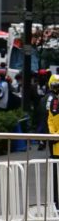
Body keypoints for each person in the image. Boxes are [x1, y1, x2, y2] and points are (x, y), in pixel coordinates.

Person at [46, 74, 59, 208]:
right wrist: (53, 135)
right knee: (56, 177)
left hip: (55, 144)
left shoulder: (52, 100)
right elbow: (50, 119)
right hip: (55, 146)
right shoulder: (52, 101)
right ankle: (56, 204)